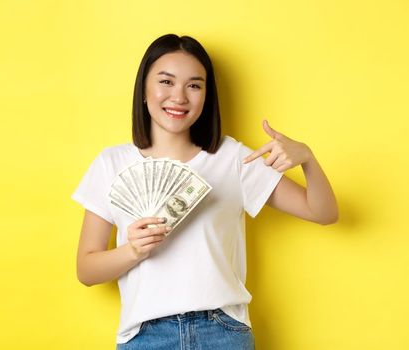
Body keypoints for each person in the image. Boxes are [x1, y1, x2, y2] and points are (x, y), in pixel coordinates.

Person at [71, 34, 338, 350]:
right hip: (145, 336)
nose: (179, 97)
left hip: (222, 332)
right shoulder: (111, 163)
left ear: (207, 96)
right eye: (166, 82)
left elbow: (323, 212)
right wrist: (133, 250)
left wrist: (307, 159)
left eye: (194, 85)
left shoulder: (233, 159)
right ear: (144, 89)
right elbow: (86, 270)